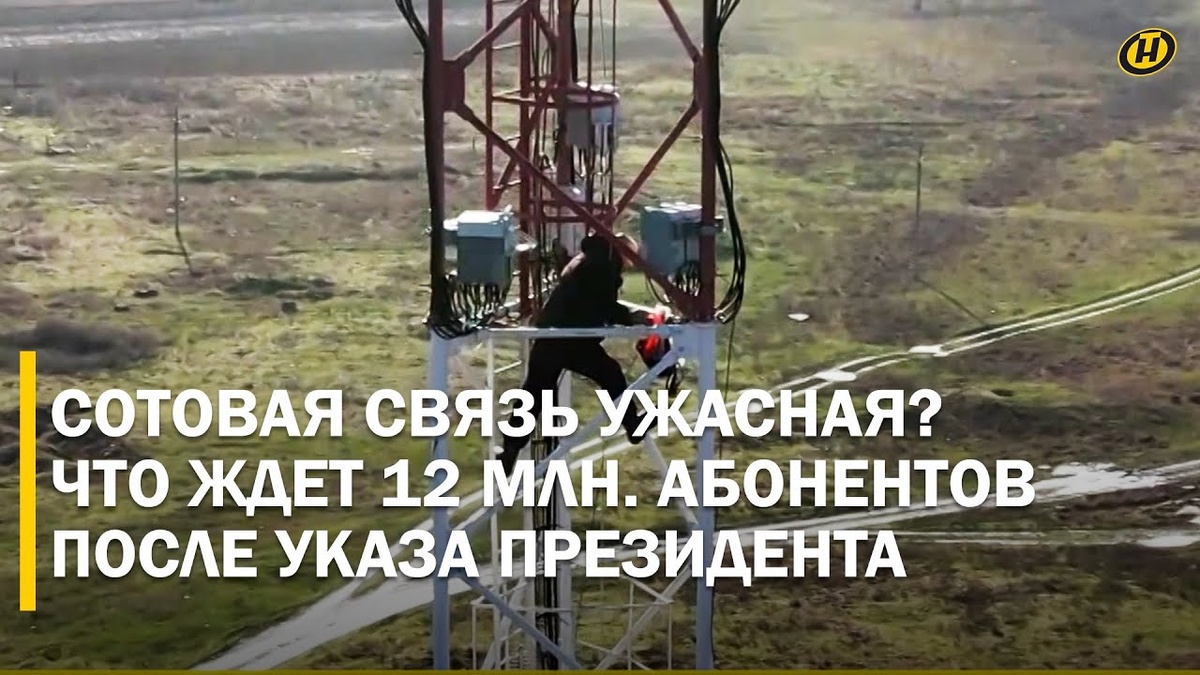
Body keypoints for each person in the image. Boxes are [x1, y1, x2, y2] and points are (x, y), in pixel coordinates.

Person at [494, 232, 650, 476]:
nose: (630, 264)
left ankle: (510, 451)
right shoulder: (604, 267)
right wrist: (631, 318)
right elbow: (602, 306)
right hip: (571, 337)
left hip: (551, 333)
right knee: (610, 374)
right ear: (622, 252)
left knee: (534, 393)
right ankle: (632, 424)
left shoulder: (587, 260)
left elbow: (589, 301)